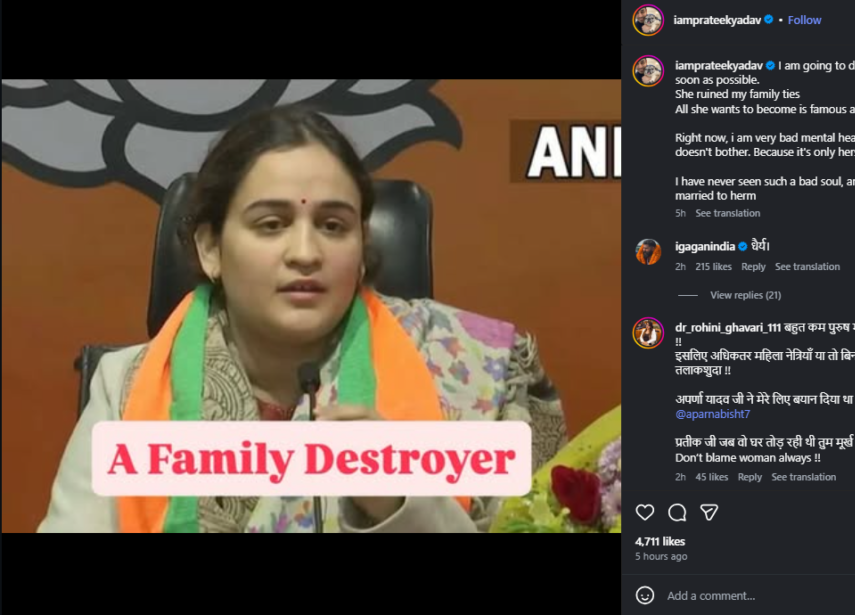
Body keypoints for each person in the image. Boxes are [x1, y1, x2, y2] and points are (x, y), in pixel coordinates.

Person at [37, 104, 568, 533]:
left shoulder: (480, 372)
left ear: (363, 247)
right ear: (210, 249)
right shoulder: (125, 389)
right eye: (271, 224)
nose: (306, 253)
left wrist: (402, 497)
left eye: (333, 226)